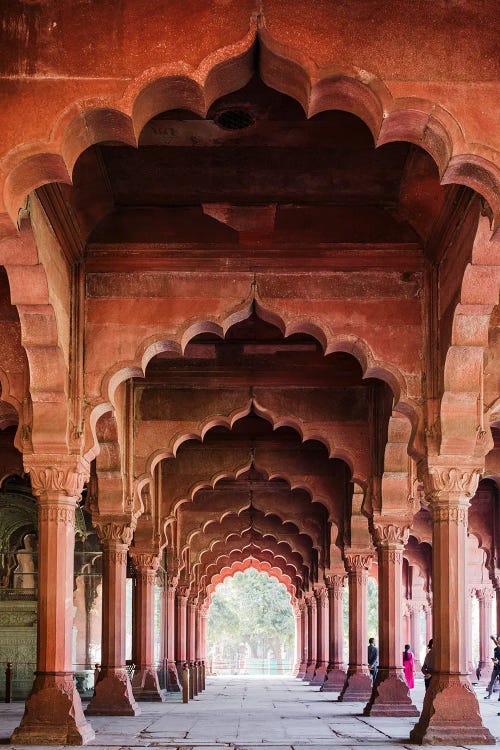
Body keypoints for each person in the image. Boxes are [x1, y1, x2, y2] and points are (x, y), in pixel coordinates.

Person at [484, 635, 500, 700]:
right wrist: (494, 660)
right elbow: (495, 657)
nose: (498, 642)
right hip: (496, 668)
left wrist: (498, 662)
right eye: (498, 640)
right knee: (492, 682)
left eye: (499, 640)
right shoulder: (495, 649)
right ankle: (489, 695)